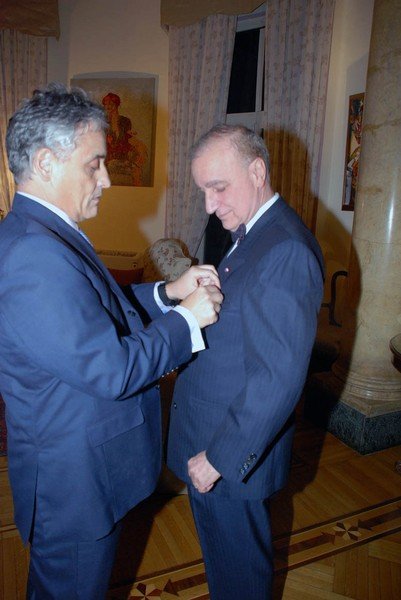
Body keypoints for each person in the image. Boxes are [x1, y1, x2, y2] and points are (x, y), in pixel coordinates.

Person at [0, 83, 223, 599]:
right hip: (73, 485)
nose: (105, 179)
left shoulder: (41, 233)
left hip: (81, 471)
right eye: (94, 164)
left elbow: (96, 311)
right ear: (46, 163)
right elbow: (112, 368)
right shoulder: (33, 254)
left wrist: (168, 293)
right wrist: (187, 320)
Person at [167, 124, 324, 599]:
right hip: (215, 435)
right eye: (203, 191)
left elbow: (277, 378)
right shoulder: (254, 232)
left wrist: (220, 458)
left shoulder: (286, 248)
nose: (210, 205)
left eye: (218, 187)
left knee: (239, 577)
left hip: (228, 452)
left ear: (257, 172)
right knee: (226, 568)